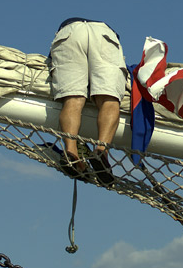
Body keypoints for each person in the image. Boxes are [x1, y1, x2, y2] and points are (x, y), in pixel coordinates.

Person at [48, 18, 127, 185]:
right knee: (109, 99)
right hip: (104, 33)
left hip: (69, 32)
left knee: (73, 99)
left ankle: (71, 153)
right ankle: (101, 151)